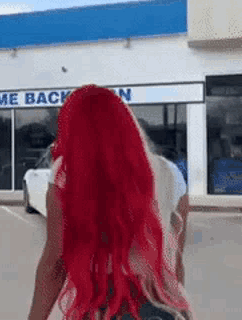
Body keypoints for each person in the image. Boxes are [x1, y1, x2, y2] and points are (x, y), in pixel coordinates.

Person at [27, 85, 193, 320]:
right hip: (161, 307)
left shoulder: (67, 173)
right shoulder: (170, 173)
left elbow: (55, 263)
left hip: (104, 307)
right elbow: (174, 263)